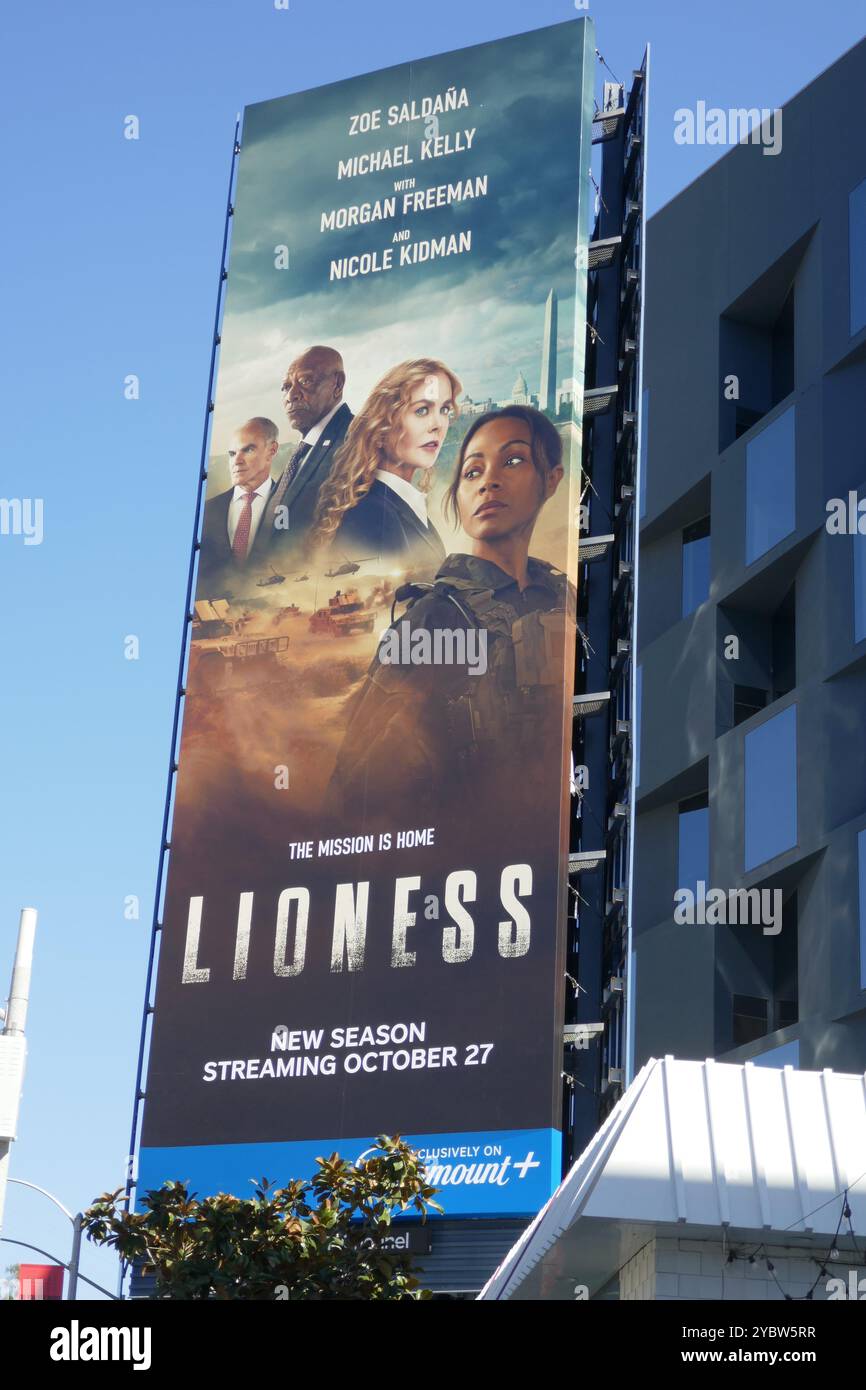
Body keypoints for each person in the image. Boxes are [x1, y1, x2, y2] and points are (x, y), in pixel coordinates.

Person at [327, 404, 574, 823]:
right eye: (472, 472)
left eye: (513, 461)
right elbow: (356, 777)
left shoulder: (562, 597)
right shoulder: (436, 617)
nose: (489, 482)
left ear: (552, 479)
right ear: (457, 495)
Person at [310, 358, 460, 576]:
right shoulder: (374, 516)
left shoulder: (393, 504)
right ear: (381, 426)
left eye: (445, 409)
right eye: (421, 410)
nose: (438, 424)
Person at [264, 345, 353, 558]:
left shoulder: (356, 440)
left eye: (305, 381)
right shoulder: (301, 452)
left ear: (337, 384)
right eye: (286, 387)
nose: (291, 395)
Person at [197, 417, 280, 592]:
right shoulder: (206, 512)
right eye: (232, 454)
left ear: (271, 450)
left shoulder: (292, 505)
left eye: (248, 450)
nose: (237, 460)